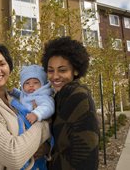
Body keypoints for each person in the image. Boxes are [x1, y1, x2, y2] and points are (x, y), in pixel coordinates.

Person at [41, 36, 99, 170]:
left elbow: (87, 152)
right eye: (50, 70)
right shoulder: (60, 97)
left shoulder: (79, 97)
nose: (55, 76)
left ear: (76, 70)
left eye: (62, 70)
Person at [9, 64, 55, 170]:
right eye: (27, 83)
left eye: (35, 83)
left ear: (42, 84)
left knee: (38, 158)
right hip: (27, 128)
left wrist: (37, 113)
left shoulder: (42, 96)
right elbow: (21, 95)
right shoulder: (26, 94)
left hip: (35, 125)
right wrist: (14, 92)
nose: (31, 86)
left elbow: (48, 107)